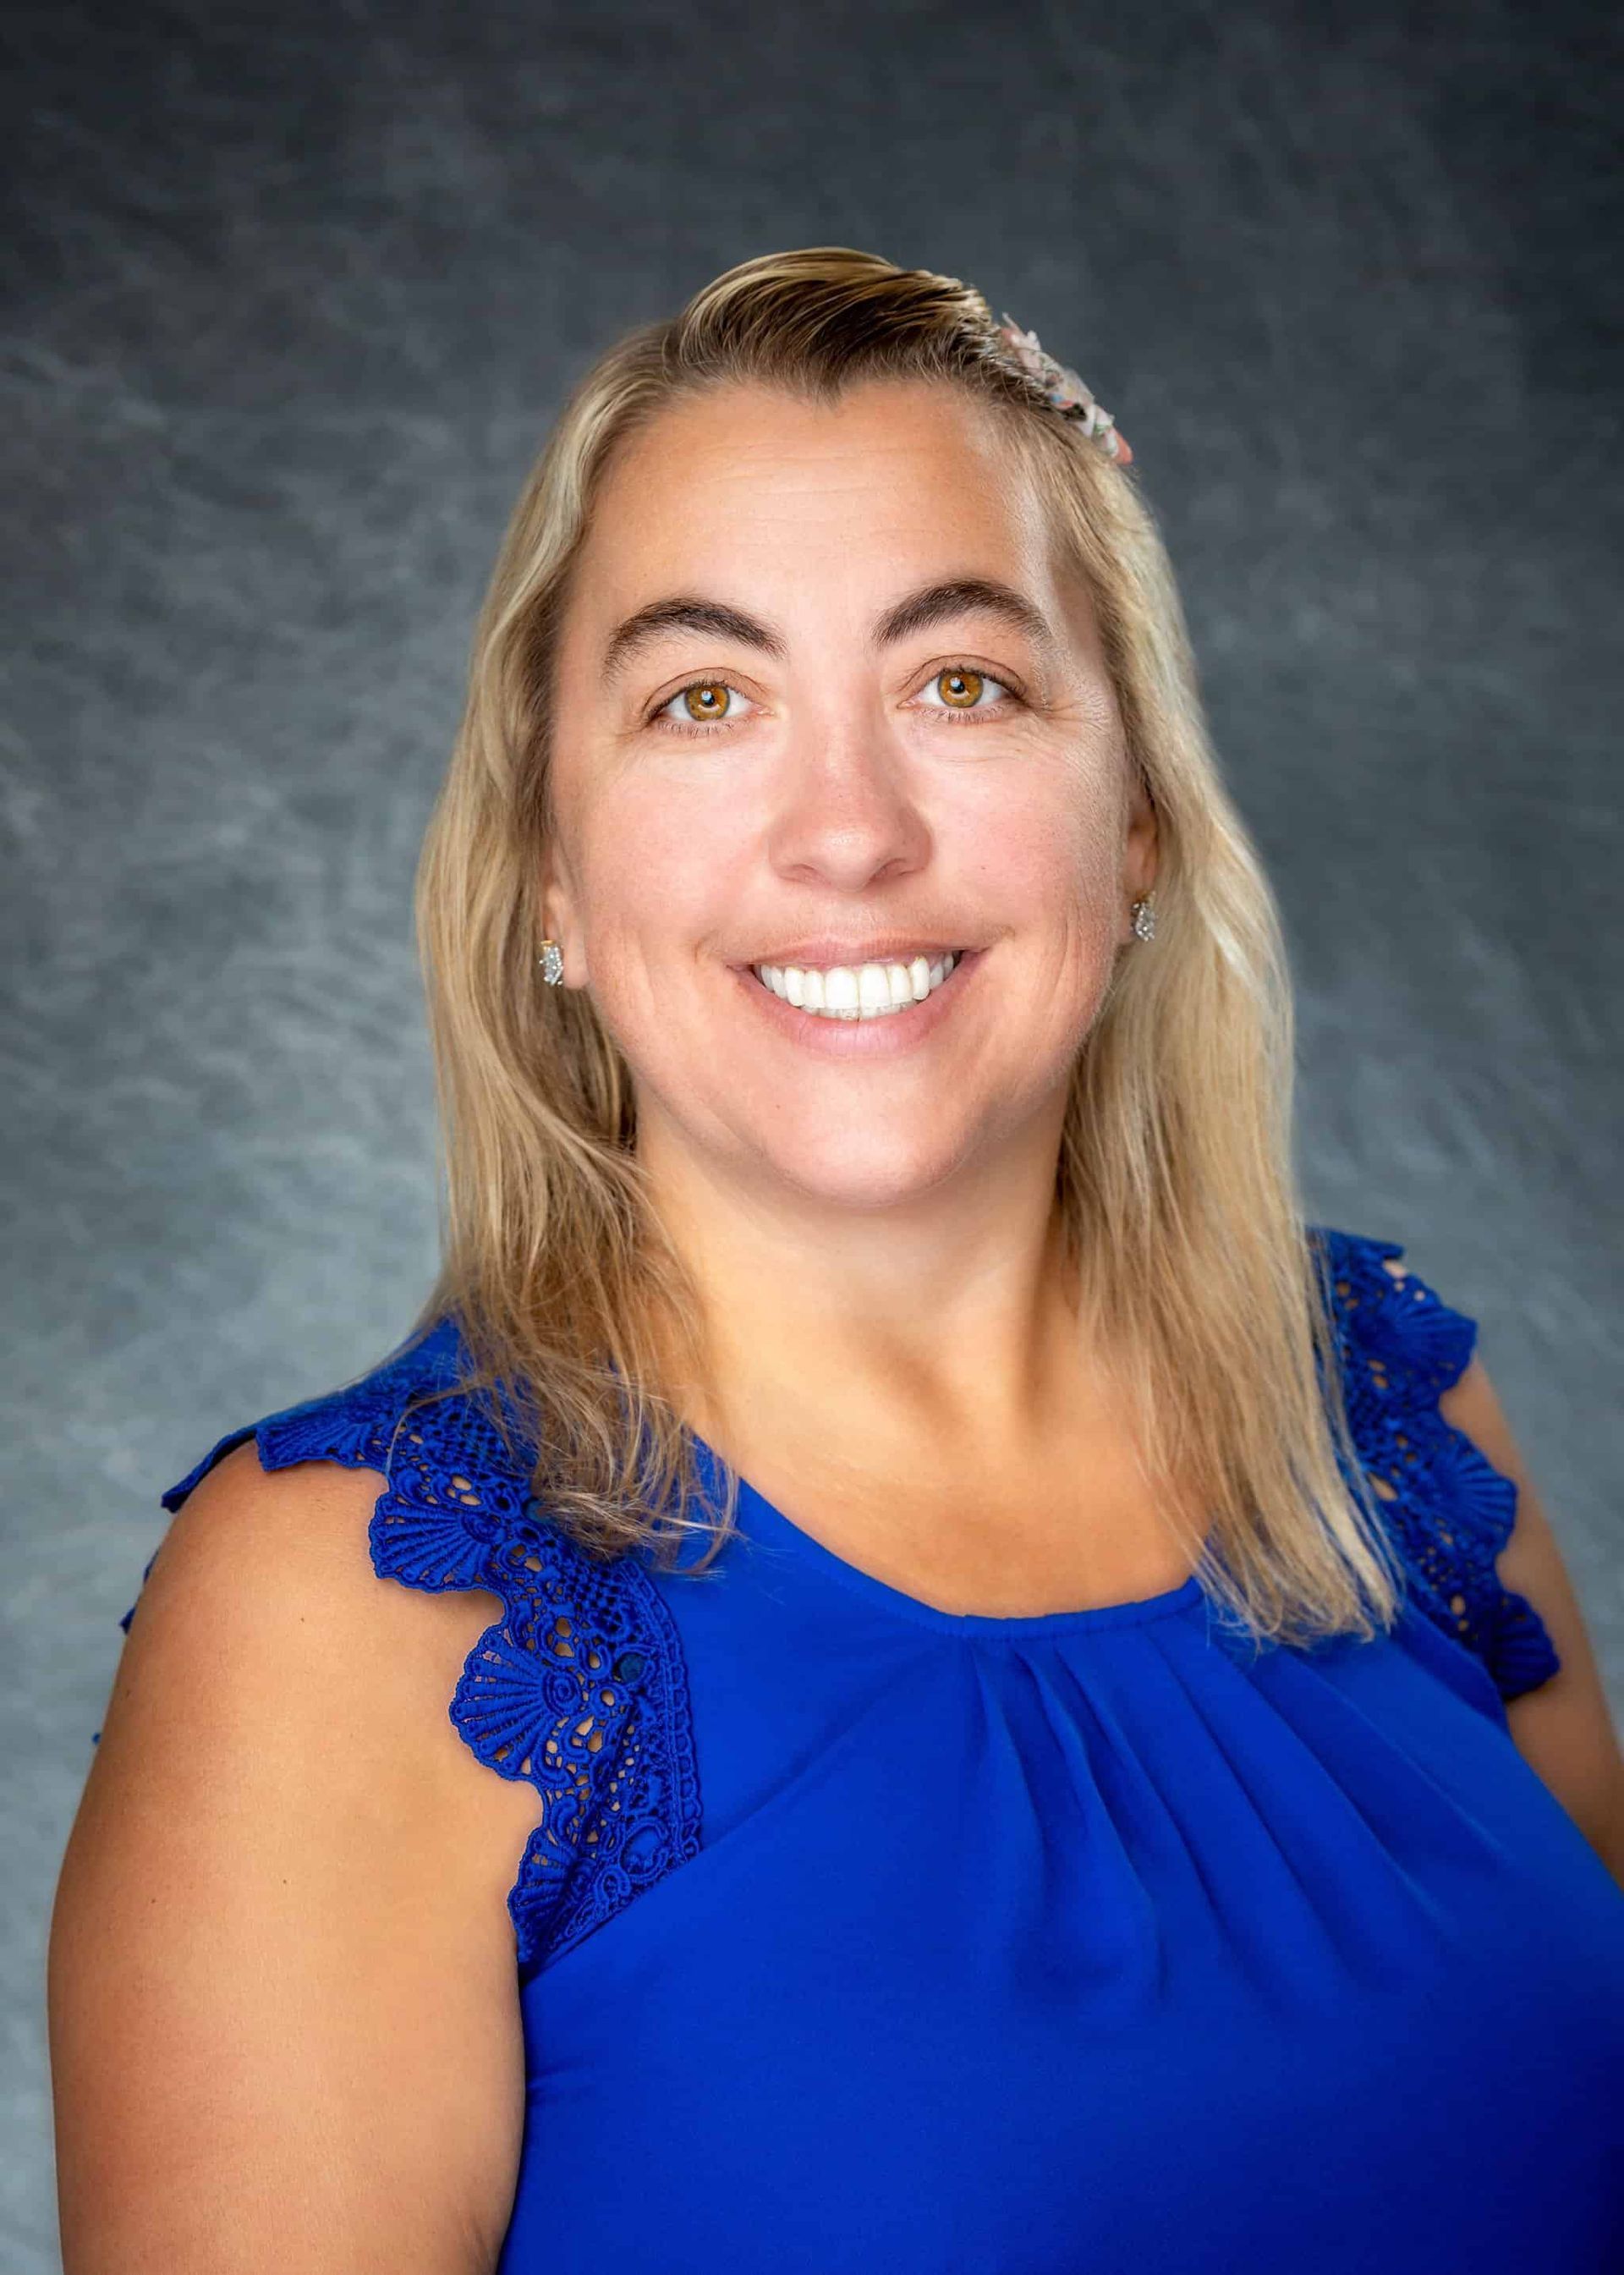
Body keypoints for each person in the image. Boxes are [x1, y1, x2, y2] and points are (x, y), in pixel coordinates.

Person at [48, 247, 1624, 2273]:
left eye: (960, 681)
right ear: (553, 870)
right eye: (705, 699)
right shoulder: (345, 1607)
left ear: (1131, 809)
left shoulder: (1390, 1415)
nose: (848, 831)